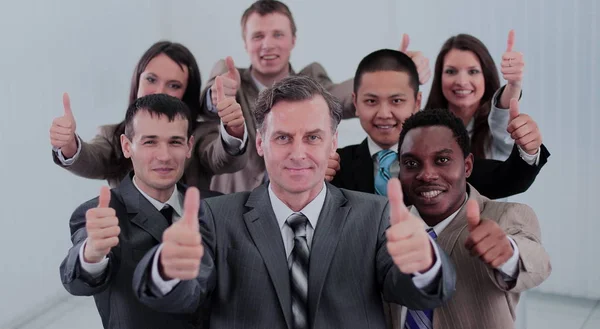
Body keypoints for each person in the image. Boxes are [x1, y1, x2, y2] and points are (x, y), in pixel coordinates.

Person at [132, 75, 456, 329]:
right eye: (283, 137)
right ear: (260, 143)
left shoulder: (375, 215)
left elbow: (418, 293)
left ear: (333, 144)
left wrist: (425, 264)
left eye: (313, 137)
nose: (298, 153)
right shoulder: (216, 218)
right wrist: (167, 269)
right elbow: (178, 299)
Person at [200, 0, 431, 194]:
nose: (267, 45)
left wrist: (395, 73)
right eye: (258, 36)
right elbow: (209, 101)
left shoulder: (312, 80)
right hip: (238, 200)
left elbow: (345, 96)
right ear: (245, 43)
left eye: (277, 34)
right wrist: (219, 98)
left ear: (293, 40)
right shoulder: (229, 76)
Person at [59, 94, 220, 329]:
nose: (164, 156)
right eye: (150, 142)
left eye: (175, 142)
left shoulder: (218, 206)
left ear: (189, 147)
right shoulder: (100, 213)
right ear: (127, 146)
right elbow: (76, 280)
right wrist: (91, 253)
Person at [392, 108, 551, 329]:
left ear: (467, 166)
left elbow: (539, 262)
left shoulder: (504, 216)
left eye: (443, 160)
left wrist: (509, 253)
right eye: (411, 163)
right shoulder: (387, 227)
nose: (426, 175)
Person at [331, 49, 550, 200]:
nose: (384, 113)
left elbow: (507, 179)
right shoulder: (334, 166)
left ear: (417, 102)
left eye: (397, 101)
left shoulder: (445, 160)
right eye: (371, 101)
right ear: (355, 103)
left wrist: (528, 150)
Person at [49, 40, 248, 189]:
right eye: (151, 79)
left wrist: (233, 129)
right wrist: (68, 144)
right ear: (137, 81)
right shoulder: (113, 136)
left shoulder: (201, 136)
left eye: (174, 85)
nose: (160, 90)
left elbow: (223, 156)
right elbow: (91, 159)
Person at [425, 31, 527, 161]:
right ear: (439, 77)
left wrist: (514, 85)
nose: (462, 82)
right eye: (451, 71)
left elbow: (502, 116)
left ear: (486, 76)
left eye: (473, 71)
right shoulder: (424, 127)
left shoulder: (495, 131)